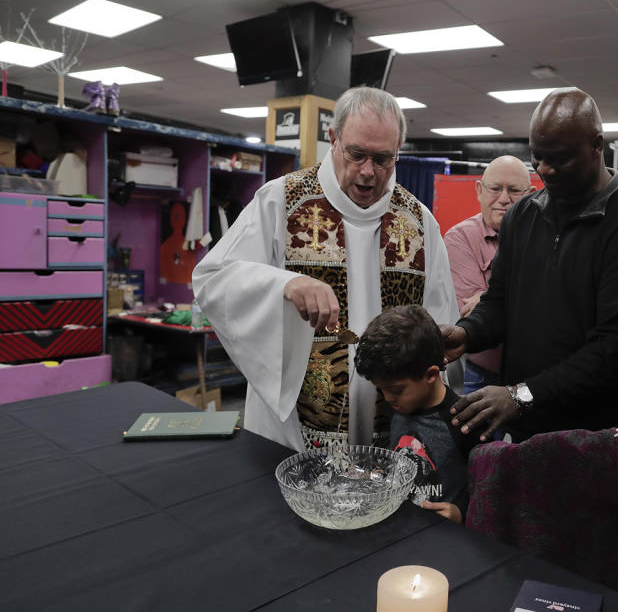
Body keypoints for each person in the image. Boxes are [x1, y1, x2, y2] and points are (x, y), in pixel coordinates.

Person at [193, 87, 459, 451]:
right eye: (357, 154)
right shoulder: (280, 201)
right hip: (296, 428)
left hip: (393, 423)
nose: (368, 172)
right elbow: (212, 279)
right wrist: (285, 284)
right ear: (333, 139)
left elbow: (440, 321)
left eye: (383, 159)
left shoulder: (418, 222)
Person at [441, 88, 618, 442]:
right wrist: (466, 333)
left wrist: (521, 395)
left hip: (596, 437)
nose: (545, 169)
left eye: (560, 158)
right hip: (528, 427)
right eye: (538, 157)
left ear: (596, 146)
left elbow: (613, 354)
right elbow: (500, 302)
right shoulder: (522, 215)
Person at [354, 305, 481, 524]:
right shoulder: (398, 406)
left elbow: (488, 490)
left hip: (444, 540)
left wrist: (463, 513)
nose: (387, 398)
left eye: (395, 390)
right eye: (380, 389)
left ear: (431, 374)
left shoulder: (466, 420)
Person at [443, 155, 533, 394]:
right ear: (479, 190)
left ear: (531, 194)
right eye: (495, 189)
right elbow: (471, 311)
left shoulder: (543, 238)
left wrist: (486, 296)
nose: (504, 199)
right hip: (480, 376)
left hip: (531, 375)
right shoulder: (459, 238)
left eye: (514, 190)